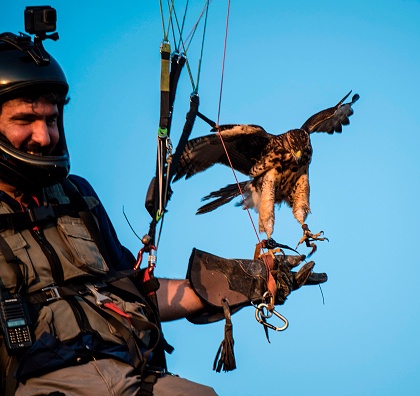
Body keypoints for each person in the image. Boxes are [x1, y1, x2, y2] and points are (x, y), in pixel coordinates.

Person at [0, 21, 324, 396]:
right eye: (25, 120)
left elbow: (136, 292)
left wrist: (242, 282)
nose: (44, 136)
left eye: (51, 120)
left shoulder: (75, 197)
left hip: (126, 373)